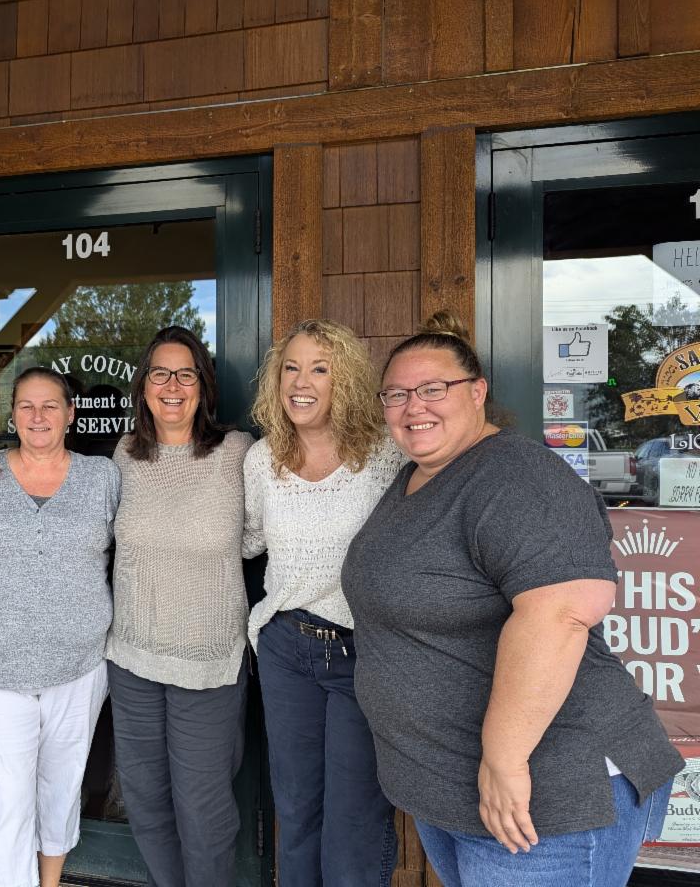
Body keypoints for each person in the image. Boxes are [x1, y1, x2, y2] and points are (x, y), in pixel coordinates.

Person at [342, 313, 683, 887]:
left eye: (433, 388)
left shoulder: (517, 477)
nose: (413, 406)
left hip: (545, 795)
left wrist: (503, 760)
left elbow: (565, 608)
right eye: (396, 394)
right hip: (453, 789)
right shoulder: (414, 480)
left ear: (477, 392)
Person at [243, 320, 404, 886]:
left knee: (354, 817)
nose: (300, 381)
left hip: (363, 654)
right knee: (297, 807)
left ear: (347, 381)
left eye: (319, 368)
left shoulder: (385, 456)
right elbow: (246, 540)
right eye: (291, 367)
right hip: (286, 648)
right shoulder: (263, 459)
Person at [0, 367, 119, 887]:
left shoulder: (102, 476)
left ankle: (48, 882)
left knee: (61, 785)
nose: (38, 416)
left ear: (71, 414)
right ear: (12, 415)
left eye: (51, 405)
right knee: (7, 797)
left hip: (78, 664)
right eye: (26, 405)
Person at [106, 325, 253, 887]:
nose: (172, 385)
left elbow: (257, 535)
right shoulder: (124, 454)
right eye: (160, 373)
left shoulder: (237, 454)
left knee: (204, 810)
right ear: (143, 387)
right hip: (132, 659)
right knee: (146, 800)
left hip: (208, 663)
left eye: (185, 373)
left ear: (203, 386)